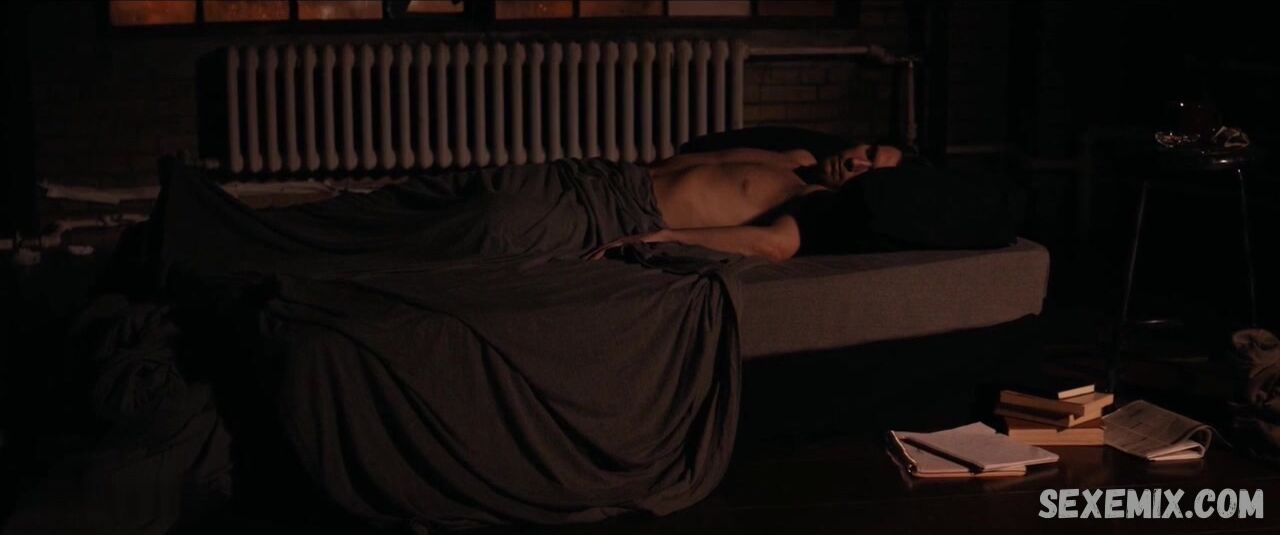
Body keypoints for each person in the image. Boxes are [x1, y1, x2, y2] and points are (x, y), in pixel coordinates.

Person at [590, 144, 904, 261]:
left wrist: (665, 237)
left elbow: (776, 244)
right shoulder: (800, 157)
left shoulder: (812, 199)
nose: (855, 163)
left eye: (867, 173)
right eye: (869, 153)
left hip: (621, 210)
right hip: (612, 174)